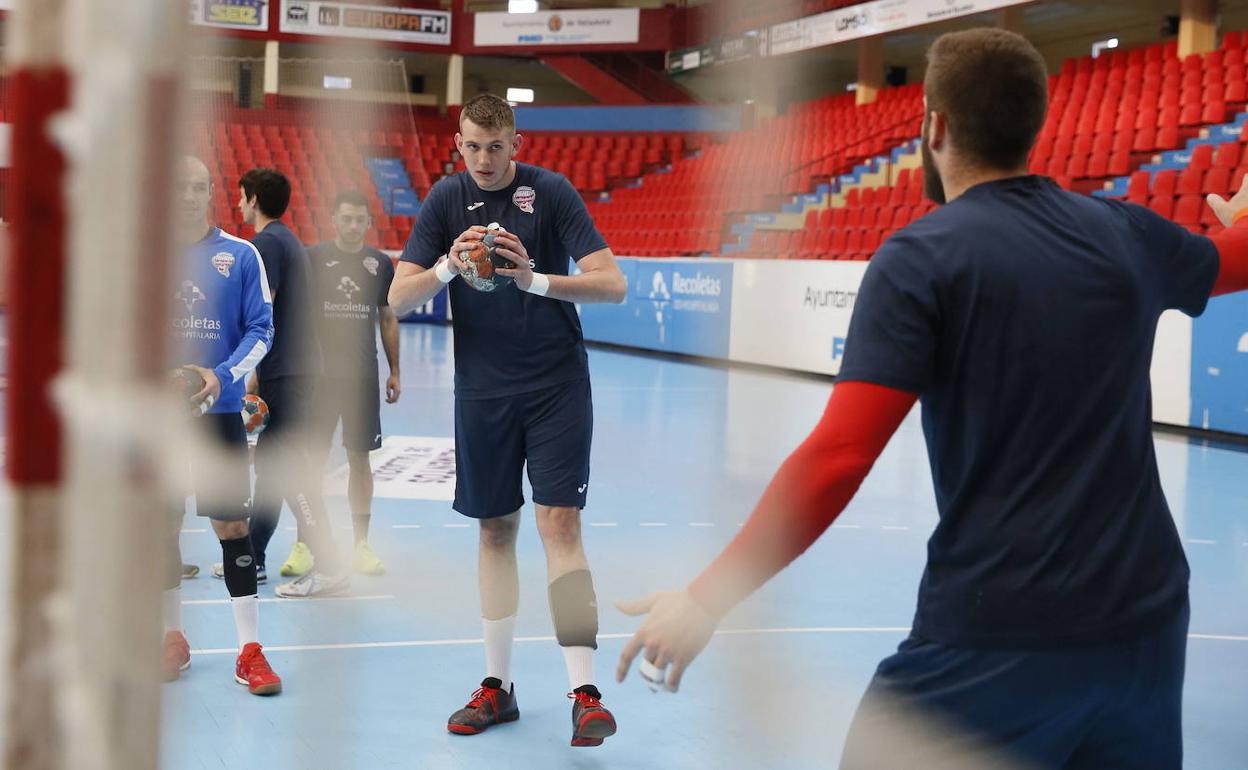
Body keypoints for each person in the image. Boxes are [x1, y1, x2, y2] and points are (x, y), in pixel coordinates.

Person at [615, 28, 1248, 770]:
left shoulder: (922, 258)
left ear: (935, 127)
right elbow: (1232, 261)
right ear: (1034, 125)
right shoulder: (1123, 231)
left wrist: (706, 596)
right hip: (1146, 621)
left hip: (998, 632)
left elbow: (839, 456)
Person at [389, 93, 628, 747]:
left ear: (517, 144)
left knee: (560, 526)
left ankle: (585, 691)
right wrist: (446, 266)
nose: (485, 159)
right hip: (482, 393)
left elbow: (613, 283)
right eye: (473, 146)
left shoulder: (551, 193)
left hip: (556, 387)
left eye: (497, 147)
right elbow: (398, 297)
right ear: (457, 146)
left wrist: (536, 281)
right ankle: (497, 687)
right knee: (495, 532)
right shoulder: (444, 201)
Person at [165, 155, 282, 695]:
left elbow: (262, 329)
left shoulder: (240, 255)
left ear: (212, 192)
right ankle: (172, 638)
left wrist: (221, 376)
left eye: (198, 187)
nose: (189, 195)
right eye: (179, 186)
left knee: (232, 527)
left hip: (217, 415)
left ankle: (249, 650)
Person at [238, 167, 349, 598]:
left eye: (240, 197)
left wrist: (249, 371)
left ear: (252, 199)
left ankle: (330, 564)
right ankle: (252, 558)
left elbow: (260, 312)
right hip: (298, 369)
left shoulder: (266, 244)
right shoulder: (289, 240)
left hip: (287, 371)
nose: (238, 204)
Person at [308, 190, 401, 575]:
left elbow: (388, 317)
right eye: (345, 218)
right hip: (319, 378)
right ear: (333, 219)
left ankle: (360, 544)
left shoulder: (379, 264)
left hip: (362, 376)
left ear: (367, 222)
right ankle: (306, 542)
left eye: (358, 219)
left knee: (359, 459)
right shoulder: (313, 260)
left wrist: (395, 370)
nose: (351, 225)